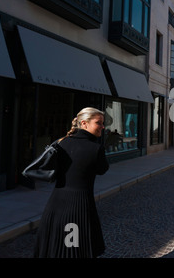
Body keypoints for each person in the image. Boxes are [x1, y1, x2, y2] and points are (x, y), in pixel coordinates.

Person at [34, 107, 109, 258]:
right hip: (78, 207)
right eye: (98, 123)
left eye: (102, 123)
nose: (103, 126)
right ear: (84, 123)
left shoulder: (60, 142)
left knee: (56, 247)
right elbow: (102, 169)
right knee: (73, 248)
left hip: (55, 205)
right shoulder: (95, 148)